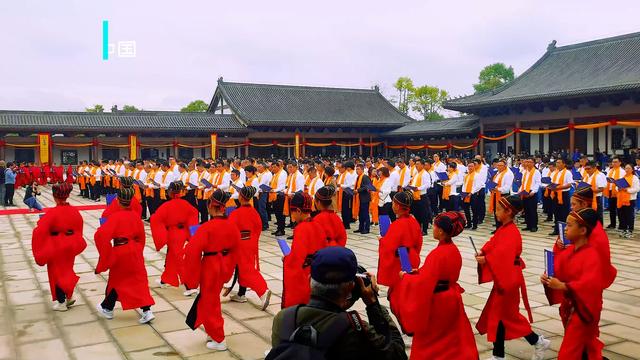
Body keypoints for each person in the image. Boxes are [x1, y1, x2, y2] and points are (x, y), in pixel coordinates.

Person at [268, 246, 408, 360]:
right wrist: (373, 303)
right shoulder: (354, 329)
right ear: (351, 286)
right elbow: (397, 354)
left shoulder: (283, 319)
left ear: (310, 279)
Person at [389, 212, 478, 359]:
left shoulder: (438, 254)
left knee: (432, 343)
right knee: (451, 341)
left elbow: (424, 282)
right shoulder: (453, 250)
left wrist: (406, 278)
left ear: (441, 230)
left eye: (435, 226)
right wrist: (419, 271)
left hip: (439, 304)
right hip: (452, 299)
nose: (433, 229)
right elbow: (437, 275)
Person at [475, 195, 550, 360]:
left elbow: (503, 255)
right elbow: (493, 244)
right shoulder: (504, 229)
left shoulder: (512, 232)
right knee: (501, 317)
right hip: (505, 277)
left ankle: (536, 341)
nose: (496, 212)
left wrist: (486, 259)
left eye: (499, 209)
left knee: (508, 317)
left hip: (509, 278)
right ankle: (499, 355)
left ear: (508, 212)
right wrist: (483, 252)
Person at [541, 208, 605, 359]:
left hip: (584, 311)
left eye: (569, 226)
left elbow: (589, 284)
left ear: (583, 230)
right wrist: (547, 278)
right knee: (584, 348)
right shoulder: (569, 252)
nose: (565, 229)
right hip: (571, 307)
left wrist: (563, 286)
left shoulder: (592, 255)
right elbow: (558, 268)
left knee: (568, 352)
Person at [183, 189, 240, 351]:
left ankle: (218, 337)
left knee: (210, 302)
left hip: (210, 266)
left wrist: (191, 278)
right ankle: (212, 331)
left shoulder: (206, 227)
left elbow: (192, 252)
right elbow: (237, 250)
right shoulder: (232, 226)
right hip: (224, 265)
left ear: (211, 206)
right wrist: (228, 267)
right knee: (211, 299)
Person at [94, 187, 156, 324]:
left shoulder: (115, 217)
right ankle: (145, 310)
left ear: (117, 200)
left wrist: (107, 254)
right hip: (135, 250)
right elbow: (142, 237)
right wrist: (138, 249)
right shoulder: (136, 216)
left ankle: (107, 307)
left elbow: (100, 236)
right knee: (138, 280)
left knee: (118, 280)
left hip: (121, 250)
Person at [31, 183, 86, 311]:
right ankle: (68, 296)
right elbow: (79, 228)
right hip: (70, 245)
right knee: (67, 270)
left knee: (57, 274)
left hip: (56, 246)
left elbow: (40, 230)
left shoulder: (53, 213)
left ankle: (61, 303)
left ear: (55, 197)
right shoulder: (74, 211)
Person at [227, 186, 272, 309]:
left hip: (240, 244)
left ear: (241, 196)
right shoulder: (254, 212)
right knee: (244, 268)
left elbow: (230, 231)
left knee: (247, 270)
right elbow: (258, 228)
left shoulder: (236, 213)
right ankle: (241, 294)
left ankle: (263, 291)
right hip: (251, 243)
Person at [150, 181, 199, 294]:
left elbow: (155, 219)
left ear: (170, 192)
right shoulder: (186, 204)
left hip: (173, 234)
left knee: (177, 258)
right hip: (182, 233)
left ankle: (189, 286)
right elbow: (194, 213)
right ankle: (165, 280)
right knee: (171, 257)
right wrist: (192, 233)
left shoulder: (166, 206)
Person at [282, 192, 327, 308]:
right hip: (317, 271)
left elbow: (297, 258)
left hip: (304, 274)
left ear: (298, 210)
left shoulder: (301, 229)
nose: (292, 216)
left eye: (292, 212)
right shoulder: (318, 225)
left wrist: (286, 259)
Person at [377, 191, 422, 287]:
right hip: (413, 257)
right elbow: (419, 243)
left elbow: (389, 246)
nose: (392, 205)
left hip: (401, 261)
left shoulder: (397, 225)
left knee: (399, 289)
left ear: (397, 206)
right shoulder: (414, 222)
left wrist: (381, 240)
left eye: (393, 203)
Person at [549, 159, 573, 236]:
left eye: (559, 163)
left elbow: (569, 184)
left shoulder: (567, 173)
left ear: (564, 164)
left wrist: (559, 187)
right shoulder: (554, 173)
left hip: (563, 194)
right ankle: (557, 229)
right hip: (555, 193)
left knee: (564, 212)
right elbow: (552, 182)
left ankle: (565, 230)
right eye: (556, 163)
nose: (557, 164)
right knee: (556, 212)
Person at [615, 163, 640, 238]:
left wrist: (627, 190)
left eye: (629, 168)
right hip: (621, 199)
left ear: (632, 169)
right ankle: (623, 229)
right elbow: (617, 187)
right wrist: (618, 188)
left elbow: (637, 189)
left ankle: (630, 230)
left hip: (630, 199)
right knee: (621, 215)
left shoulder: (635, 178)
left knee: (629, 215)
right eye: (626, 168)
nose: (627, 170)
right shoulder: (623, 177)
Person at [353, 164, 372, 234]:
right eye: (356, 169)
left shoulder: (365, 177)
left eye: (358, 169)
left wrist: (358, 190)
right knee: (360, 214)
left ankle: (367, 228)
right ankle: (361, 228)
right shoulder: (358, 177)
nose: (356, 171)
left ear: (362, 169)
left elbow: (367, 187)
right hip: (359, 198)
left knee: (365, 214)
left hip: (365, 198)